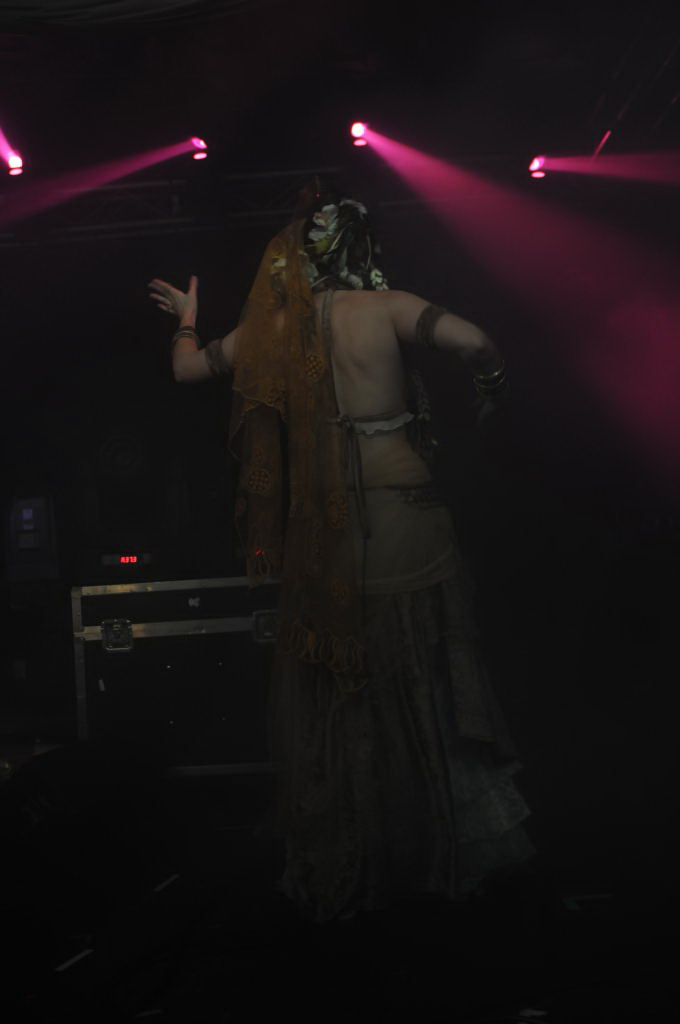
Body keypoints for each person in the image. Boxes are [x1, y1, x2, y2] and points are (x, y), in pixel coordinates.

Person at [148, 183, 535, 924]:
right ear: (364, 251)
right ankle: (440, 850)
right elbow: (478, 342)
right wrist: (492, 390)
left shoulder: (273, 330)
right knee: (422, 673)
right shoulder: (387, 308)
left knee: (344, 688)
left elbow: (186, 371)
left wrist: (189, 319)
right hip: (408, 514)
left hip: (326, 535)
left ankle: (363, 850)